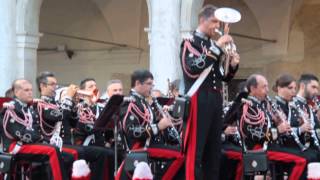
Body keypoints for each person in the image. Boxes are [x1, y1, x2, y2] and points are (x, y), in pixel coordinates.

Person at [180, 4, 240, 179]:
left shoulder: (214, 46)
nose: (217, 26)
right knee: (196, 151)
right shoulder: (189, 42)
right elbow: (192, 69)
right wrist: (217, 47)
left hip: (215, 99)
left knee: (214, 152)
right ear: (202, 20)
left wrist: (233, 65)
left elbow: (223, 77)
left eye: (218, 23)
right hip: (199, 99)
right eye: (214, 21)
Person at [226, 74, 306, 179]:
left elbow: (268, 126)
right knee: (301, 160)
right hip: (258, 149)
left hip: (270, 146)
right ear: (253, 89)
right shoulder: (247, 106)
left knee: (306, 156)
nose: (268, 90)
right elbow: (257, 135)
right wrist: (278, 130)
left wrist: (278, 122)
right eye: (264, 87)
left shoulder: (262, 105)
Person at [36, 72, 114, 180]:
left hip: (67, 144)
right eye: (52, 84)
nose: (56, 86)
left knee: (101, 153)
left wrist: (74, 104)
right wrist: (68, 97)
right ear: (42, 86)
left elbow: (73, 123)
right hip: (55, 145)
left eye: (56, 84)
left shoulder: (57, 105)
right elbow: (60, 116)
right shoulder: (41, 104)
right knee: (79, 153)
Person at [116, 70, 184, 180]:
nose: (151, 87)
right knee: (180, 155)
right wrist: (158, 127)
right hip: (139, 148)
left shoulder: (143, 102)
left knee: (181, 150)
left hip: (150, 145)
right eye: (149, 84)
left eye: (152, 84)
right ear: (138, 83)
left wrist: (164, 122)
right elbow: (132, 131)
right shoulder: (130, 102)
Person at [0, 79, 67, 180]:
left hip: (29, 143)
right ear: (17, 92)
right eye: (26, 90)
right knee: (52, 150)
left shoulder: (29, 108)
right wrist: (42, 139)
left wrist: (44, 140)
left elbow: (36, 128)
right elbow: (20, 133)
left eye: (31, 90)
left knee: (62, 152)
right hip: (15, 145)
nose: (30, 92)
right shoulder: (11, 109)